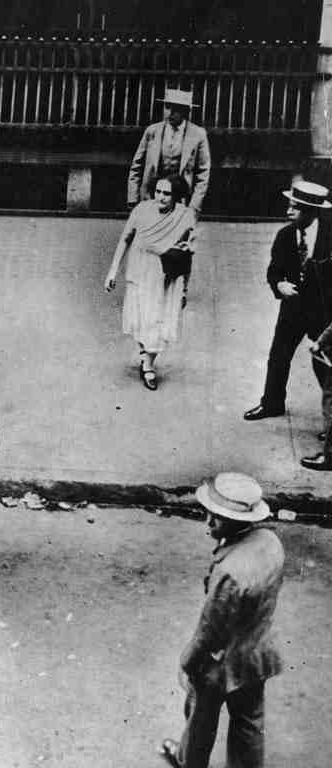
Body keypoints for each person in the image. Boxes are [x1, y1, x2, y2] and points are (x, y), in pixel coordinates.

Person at [159, 473, 284, 768]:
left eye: (217, 518)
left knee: (201, 716)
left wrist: (190, 661)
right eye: (210, 514)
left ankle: (189, 762)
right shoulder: (269, 541)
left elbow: (210, 630)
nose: (209, 523)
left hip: (222, 661)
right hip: (258, 651)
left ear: (238, 521)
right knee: (249, 721)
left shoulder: (230, 570)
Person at [244, 181, 332, 425]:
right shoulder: (284, 235)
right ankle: (271, 404)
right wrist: (279, 285)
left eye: (295, 208)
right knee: (278, 356)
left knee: (324, 364)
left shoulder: (329, 235)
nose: (288, 212)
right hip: (292, 310)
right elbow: (273, 271)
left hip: (323, 314)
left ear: (312, 211)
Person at [104, 175, 197, 390]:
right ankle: (146, 355)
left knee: (158, 319)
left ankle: (148, 364)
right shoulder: (141, 210)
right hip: (140, 267)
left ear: (176, 196)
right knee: (140, 317)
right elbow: (125, 238)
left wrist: (185, 288)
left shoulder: (185, 216)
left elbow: (188, 254)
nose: (161, 197)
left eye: (167, 193)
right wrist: (112, 271)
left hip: (166, 272)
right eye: (158, 192)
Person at [128, 88, 211, 214]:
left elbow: (203, 174)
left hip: (182, 200)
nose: (170, 112)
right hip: (151, 197)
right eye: (167, 107)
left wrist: (194, 206)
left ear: (186, 111)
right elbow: (136, 166)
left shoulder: (198, 134)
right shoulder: (152, 131)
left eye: (176, 109)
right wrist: (132, 199)